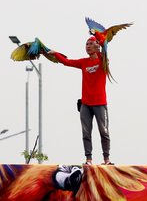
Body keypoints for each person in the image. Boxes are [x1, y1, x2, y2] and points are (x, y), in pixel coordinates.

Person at [48, 37, 113, 165]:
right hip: (85, 104)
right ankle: (88, 159)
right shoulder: (83, 62)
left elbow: (105, 48)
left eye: (91, 44)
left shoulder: (103, 60)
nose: (88, 46)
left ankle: (107, 159)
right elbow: (67, 62)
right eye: (86, 44)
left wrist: (100, 42)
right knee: (86, 132)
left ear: (97, 46)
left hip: (100, 104)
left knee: (104, 132)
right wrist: (55, 53)